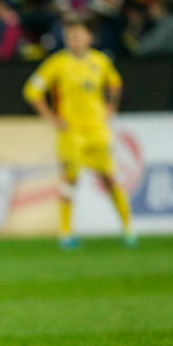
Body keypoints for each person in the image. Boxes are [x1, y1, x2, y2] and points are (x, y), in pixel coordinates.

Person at [22, 15, 135, 249]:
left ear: (89, 38)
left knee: (110, 178)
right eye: (70, 36)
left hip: (97, 130)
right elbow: (32, 90)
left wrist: (111, 107)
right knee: (69, 181)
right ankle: (65, 234)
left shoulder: (100, 61)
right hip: (71, 132)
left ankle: (128, 230)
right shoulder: (58, 63)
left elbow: (115, 83)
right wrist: (51, 117)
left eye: (78, 35)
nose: (74, 40)